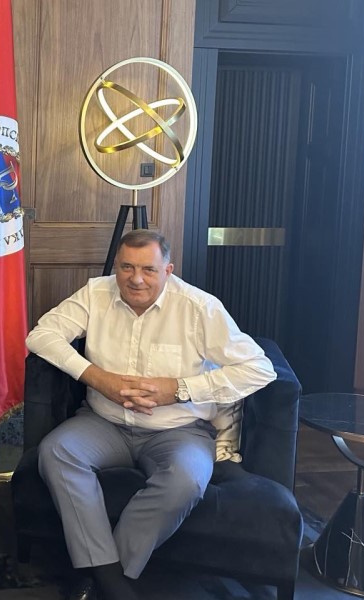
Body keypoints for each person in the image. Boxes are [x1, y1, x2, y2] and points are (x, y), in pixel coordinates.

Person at [26, 229, 276, 600]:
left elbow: (259, 368)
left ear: (168, 270)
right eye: (127, 267)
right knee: (56, 452)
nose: (136, 279)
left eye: (148, 269)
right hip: (103, 422)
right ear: (116, 266)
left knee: (187, 479)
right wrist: (99, 378)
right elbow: (41, 335)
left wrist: (180, 389)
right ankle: (113, 583)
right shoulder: (96, 293)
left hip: (179, 430)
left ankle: (103, 574)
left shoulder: (199, 307)